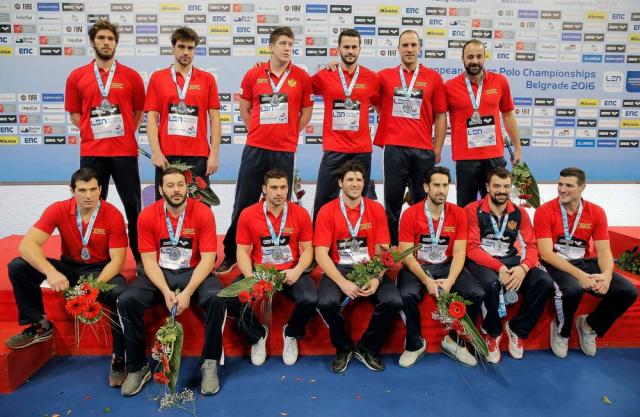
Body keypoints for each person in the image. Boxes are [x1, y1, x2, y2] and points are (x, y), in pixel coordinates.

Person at [5, 168, 129, 387]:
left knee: (122, 297)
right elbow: (26, 245)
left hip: (101, 270)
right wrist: (51, 272)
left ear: (100, 189)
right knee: (18, 266)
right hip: (69, 267)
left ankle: (119, 359)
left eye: (93, 189)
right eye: (82, 190)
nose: (89, 196)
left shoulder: (113, 214)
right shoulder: (59, 209)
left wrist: (94, 287)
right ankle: (39, 325)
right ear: (71, 190)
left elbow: (117, 261)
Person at [117, 168, 225, 396]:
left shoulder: (203, 213)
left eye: (180, 185)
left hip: (194, 271)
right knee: (127, 300)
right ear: (160, 189)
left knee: (217, 298)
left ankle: (210, 362)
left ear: (187, 188)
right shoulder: (147, 215)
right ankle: (137, 367)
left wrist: (188, 292)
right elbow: (148, 260)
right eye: (170, 185)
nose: (176, 190)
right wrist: (165, 290)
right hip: (161, 272)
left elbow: (208, 259)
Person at [217, 26, 313, 273]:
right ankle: (231, 253)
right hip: (256, 148)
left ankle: (285, 255)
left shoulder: (301, 77)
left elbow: (306, 112)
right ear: (270, 47)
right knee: (243, 202)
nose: (287, 48)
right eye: (283, 43)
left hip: (284, 150)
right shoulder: (254, 75)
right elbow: (244, 108)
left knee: (282, 202)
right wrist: (257, 132)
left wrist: (290, 133)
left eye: (291, 44)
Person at [65, 19, 145, 274]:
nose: (106, 42)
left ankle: (141, 259)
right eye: (101, 38)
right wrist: (93, 132)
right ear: (93, 42)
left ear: (116, 43)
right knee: (92, 206)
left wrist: (123, 132)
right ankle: (96, 259)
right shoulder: (77, 75)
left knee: (133, 207)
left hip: (124, 153)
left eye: (110, 38)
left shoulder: (131, 76)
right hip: (93, 153)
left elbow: (138, 111)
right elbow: (75, 113)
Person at [535, 167, 638, 358]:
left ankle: (589, 325)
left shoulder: (596, 212)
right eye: (560, 184)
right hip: (554, 263)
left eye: (569, 185)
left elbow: (604, 251)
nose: (562, 189)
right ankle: (562, 331)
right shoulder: (545, 211)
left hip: (583, 262)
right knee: (572, 290)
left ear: (582, 187)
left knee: (628, 291)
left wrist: (606, 276)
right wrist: (580, 276)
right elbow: (546, 254)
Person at [315, 160, 403, 372]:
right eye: (350, 180)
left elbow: (384, 251)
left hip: (370, 267)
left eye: (359, 180)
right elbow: (320, 254)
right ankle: (344, 348)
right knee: (326, 302)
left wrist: (376, 277)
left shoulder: (375, 209)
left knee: (393, 301)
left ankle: (368, 347)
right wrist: (343, 283)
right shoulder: (327, 211)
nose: (355, 184)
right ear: (340, 183)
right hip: (340, 268)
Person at [227, 169, 317, 366]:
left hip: (290, 270)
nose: (279, 192)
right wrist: (250, 277)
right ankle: (257, 335)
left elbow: (308, 249)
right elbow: (242, 251)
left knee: (310, 299)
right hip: (260, 272)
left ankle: (291, 333)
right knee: (232, 298)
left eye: (283, 187)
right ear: (264, 189)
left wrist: (297, 271)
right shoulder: (248, 214)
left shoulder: (300, 213)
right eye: (274, 187)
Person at [397, 166, 483, 367]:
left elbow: (459, 252)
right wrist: (427, 280)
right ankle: (414, 344)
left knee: (476, 293)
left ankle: (454, 341)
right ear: (426, 187)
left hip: (446, 265)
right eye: (436, 185)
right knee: (407, 294)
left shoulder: (458, 213)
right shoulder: (410, 214)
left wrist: (450, 281)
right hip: (418, 266)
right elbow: (406, 255)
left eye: (445, 185)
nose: (441, 190)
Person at [465, 167, 553, 363]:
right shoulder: (472, 210)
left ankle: (517, 329)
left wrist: (524, 268)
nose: (502, 191)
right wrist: (500, 268)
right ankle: (493, 333)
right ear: (487, 187)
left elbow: (531, 245)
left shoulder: (520, 213)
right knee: (491, 283)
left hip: (511, 261)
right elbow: (471, 248)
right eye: (496, 186)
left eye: (506, 186)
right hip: (481, 261)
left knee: (543, 281)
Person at [374, 30, 447, 247]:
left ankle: (419, 246)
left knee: (422, 202)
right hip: (394, 148)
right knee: (392, 200)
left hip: (423, 149)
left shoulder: (433, 78)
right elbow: (376, 102)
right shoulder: (384, 76)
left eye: (413, 45)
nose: (409, 49)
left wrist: (437, 148)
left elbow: (440, 115)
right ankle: (392, 248)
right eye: (405, 45)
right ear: (398, 49)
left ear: (419, 48)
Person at [144, 26, 222, 201]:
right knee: (165, 206)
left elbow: (215, 119)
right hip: (167, 155)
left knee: (200, 209)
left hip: (199, 156)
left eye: (190, 48)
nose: (186, 52)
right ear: (173, 48)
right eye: (181, 47)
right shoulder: (158, 78)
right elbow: (151, 118)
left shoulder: (207, 79)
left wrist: (214, 154)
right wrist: (156, 151)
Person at [311, 29, 380, 222]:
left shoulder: (372, 78)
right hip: (334, 148)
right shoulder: (325, 75)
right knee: (324, 199)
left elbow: (382, 107)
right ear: (338, 49)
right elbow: (299, 87)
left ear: (360, 49)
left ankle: (358, 237)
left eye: (354, 47)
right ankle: (318, 239)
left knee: (359, 202)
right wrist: (263, 66)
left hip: (361, 150)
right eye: (346, 47)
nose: (350, 51)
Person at [445, 39, 522, 208]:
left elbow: (508, 115)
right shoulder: (450, 86)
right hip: (465, 158)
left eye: (479, 56)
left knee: (498, 205)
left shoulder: (500, 81)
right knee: (465, 207)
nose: (475, 61)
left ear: (484, 57)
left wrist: (517, 147)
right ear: (462, 59)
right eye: (470, 57)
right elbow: (440, 118)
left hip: (493, 156)